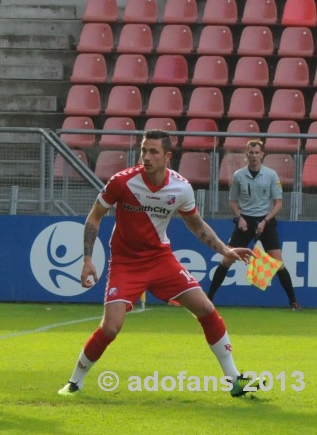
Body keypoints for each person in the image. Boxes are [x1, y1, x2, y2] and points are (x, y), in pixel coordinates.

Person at [59, 129, 261, 398]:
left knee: (205, 308)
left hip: (160, 260)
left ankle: (234, 379)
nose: (146, 156)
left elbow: (196, 225)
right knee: (110, 327)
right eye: (144, 150)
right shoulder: (122, 181)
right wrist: (87, 259)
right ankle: (75, 382)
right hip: (126, 263)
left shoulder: (180, 187)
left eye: (153, 151)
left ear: (167, 156)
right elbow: (94, 216)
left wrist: (224, 249)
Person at [207, 140, 300, 310]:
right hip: (245, 221)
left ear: (262, 154)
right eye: (251, 153)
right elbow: (232, 201)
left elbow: (278, 203)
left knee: (278, 262)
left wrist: (265, 221)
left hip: (266, 221)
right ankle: (208, 299)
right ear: (246, 154)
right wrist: (239, 217)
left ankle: (293, 302)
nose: (254, 156)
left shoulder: (271, 175)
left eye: (257, 153)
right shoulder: (238, 175)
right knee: (227, 259)